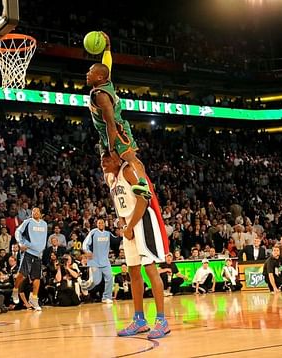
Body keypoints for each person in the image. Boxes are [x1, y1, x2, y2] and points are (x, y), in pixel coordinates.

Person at [101, 153, 170, 339]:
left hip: (143, 221)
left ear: (117, 159)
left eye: (106, 159)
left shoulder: (129, 170)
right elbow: (117, 205)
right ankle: (139, 320)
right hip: (129, 225)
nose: (102, 163)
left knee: (150, 269)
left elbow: (143, 199)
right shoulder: (110, 178)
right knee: (133, 271)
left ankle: (162, 320)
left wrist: (130, 226)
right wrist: (124, 226)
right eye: (101, 159)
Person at [86, 32, 152, 199]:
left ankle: (143, 184)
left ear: (99, 77)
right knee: (107, 163)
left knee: (129, 157)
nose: (87, 73)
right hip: (105, 132)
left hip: (116, 129)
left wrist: (111, 146)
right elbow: (106, 65)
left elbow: (111, 124)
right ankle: (118, 186)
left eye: (90, 71)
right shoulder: (106, 82)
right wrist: (107, 47)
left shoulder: (101, 95)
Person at [11, 207, 48, 311]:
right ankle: (15, 290)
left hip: (38, 254)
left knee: (37, 278)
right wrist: (20, 243)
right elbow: (18, 232)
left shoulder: (44, 224)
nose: (35, 212)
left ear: (41, 214)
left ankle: (34, 299)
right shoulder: (27, 222)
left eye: (37, 211)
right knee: (22, 274)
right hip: (28, 252)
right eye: (33, 211)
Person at [82, 219, 114, 304]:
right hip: (94, 261)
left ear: (104, 224)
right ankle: (84, 286)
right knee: (96, 281)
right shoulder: (93, 232)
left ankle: (106, 297)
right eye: (99, 223)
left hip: (105, 261)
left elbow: (115, 240)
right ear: (96, 224)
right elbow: (85, 244)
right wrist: (87, 252)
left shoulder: (108, 233)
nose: (101, 224)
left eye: (102, 222)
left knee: (110, 277)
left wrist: (121, 235)